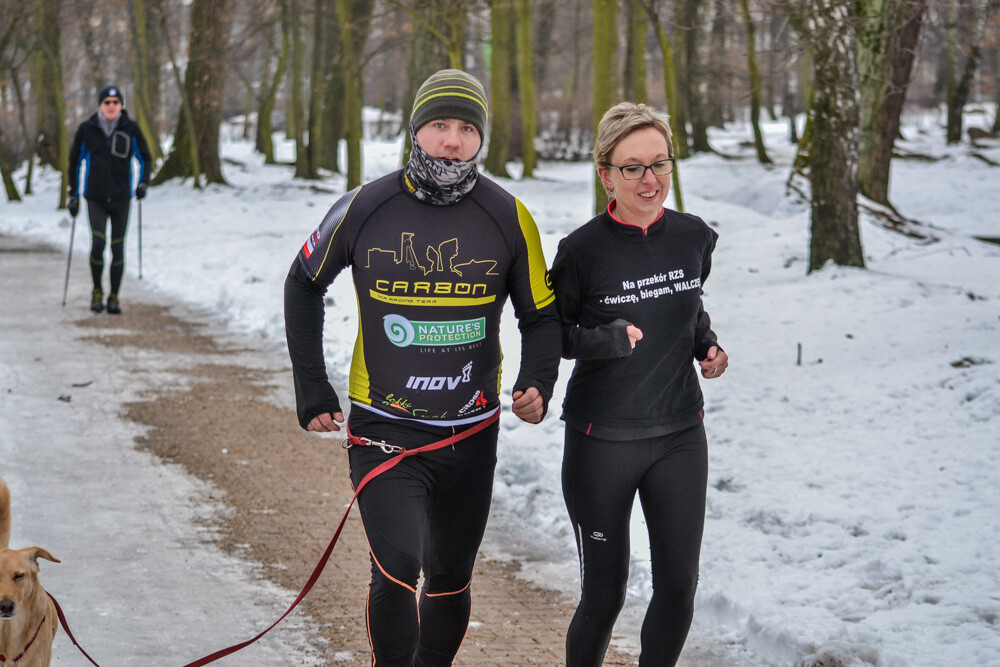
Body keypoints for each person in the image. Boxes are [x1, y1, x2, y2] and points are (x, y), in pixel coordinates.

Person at [283, 69, 561, 666]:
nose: (453, 141)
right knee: (399, 567)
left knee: (451, 579)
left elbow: (541, 316)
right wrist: (312, 385)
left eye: (466, 129)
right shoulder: (367, 205)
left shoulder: (509, 217)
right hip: (385, 429)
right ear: (417, 130)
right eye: (440, 125)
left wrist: (538, 380)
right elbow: (303, 282)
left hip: (470, 433)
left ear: (481, 139)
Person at [549, 102, 728, 667]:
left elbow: (687, 305)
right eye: (632, 167)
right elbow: (553, 333)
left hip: (679, 435)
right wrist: (607, 340)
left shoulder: (695, 237)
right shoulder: (581, 251)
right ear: (606, 174)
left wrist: (706, 344)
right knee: (605, 594)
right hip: (601, 441)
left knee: (679, 587)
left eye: (659, 163)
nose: (649, 180)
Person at [68, 84, 152, 314]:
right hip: (94, 197)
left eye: (116, 103)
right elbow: (75, 161)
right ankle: (97, 291)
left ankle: (114, 295)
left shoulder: (131, 129)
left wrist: (143, 182)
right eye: (107, 103)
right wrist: (73, 194)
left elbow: (145, 158)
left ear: (121, 105)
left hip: (121, 197)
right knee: (98, 243)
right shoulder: (87, 129)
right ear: (100, 105)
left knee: (117, 247)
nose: (112, 106)